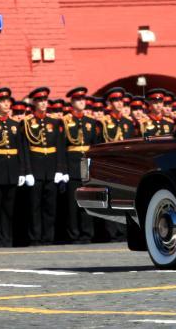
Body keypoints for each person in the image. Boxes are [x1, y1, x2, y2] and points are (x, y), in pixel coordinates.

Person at [0, 88, 30, 248]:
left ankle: (7, 238)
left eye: (7, 101)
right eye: (2, 101)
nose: (6, 104)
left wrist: (23, 171)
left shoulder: (14, 125)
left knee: (8, 208)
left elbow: (21, 149)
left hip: (12, 171)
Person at [23, 87, 66, 246]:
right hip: (35, 169)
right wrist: (27, 171)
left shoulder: (54, 122)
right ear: (34, 103)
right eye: (39, 101)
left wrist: (61, 169)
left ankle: (48, 237)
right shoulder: (27, 123)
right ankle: (35, 237)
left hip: (51, 168)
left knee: (50, 207)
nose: (43, 103)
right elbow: (25, 148)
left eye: (45, 100)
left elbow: (60, 147)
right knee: (34, 206)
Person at [63, 87, 97, 243]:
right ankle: (73, 234)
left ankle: (87, 233)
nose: (82, 102)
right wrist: (62, 169)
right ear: (72, 102)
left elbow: (95, 146)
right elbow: (62, 146)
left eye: (83, 99)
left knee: (87, 200)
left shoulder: (91, 122)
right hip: (72, 164)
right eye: (78, 100)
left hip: (87, 164)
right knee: (72, 204)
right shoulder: (64, 122)